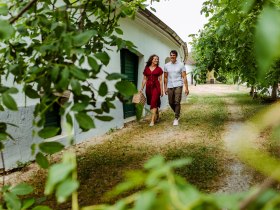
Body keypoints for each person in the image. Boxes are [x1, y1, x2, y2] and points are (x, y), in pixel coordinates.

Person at [164, 50, 189, 126]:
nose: (172, 56)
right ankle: (177, 112)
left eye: (174, 55)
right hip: (170, 85)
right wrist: (165, 88)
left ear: (176, 56)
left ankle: (176, 118)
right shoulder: (166, 65)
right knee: (170, 102)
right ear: (170, 56)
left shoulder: (181, 65)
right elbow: (165, 77)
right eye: (171, 55)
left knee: (177, 101)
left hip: (178, 84)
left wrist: (186, 88)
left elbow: (184, 77)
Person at [140, 54, 163, 126]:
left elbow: (160, 80)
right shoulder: (146, 69)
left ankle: (152, 120)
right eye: (155, 59)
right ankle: (157, 114)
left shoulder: (159, 69)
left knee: (153, 102)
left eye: (157, 59)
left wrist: (161, 90)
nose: (156, 60)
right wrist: (141, 88)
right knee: (151, 102)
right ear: (151, 60)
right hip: (148, 88)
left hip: (156, 87)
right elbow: (144, 79)